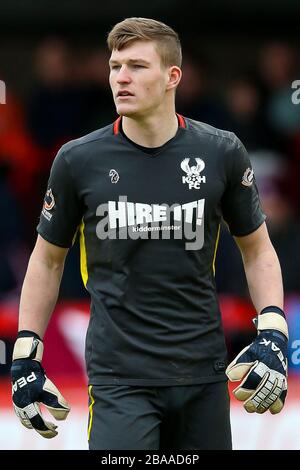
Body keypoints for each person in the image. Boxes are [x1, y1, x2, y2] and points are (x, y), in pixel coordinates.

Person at [10, 17, 289, 450]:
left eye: (137, 66)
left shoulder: (222, 151)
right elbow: (46, 259)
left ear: (172, 77)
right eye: (114, 66)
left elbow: (257, 250)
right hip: (119, 379)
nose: (121, 77)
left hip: (204, 374)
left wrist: (272, 329)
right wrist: (27, 352)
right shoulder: (77, 160)